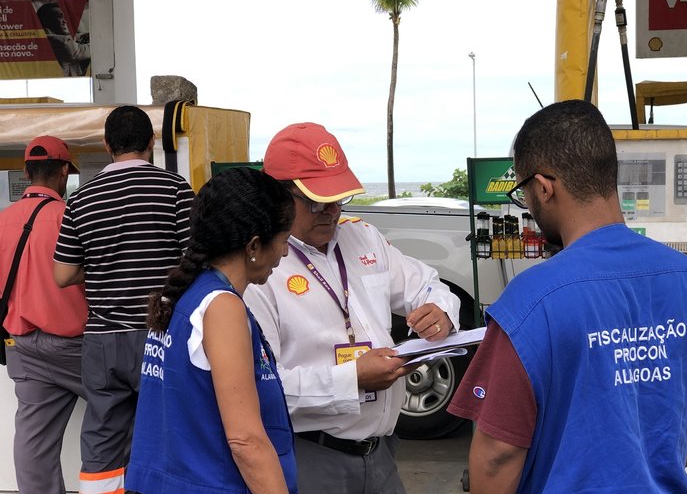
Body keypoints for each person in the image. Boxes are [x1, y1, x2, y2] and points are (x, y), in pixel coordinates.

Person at [447, 100, 687, 493]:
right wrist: (647, 469)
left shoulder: (530, 301)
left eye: (524, 192)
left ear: (543, 187)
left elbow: (497, 453)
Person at [243, 122, 461, 493]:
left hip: (382, 454)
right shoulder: (260, 268)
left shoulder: (362, 235)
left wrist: (439, 310)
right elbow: (263, 387)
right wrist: (351, 378)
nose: (330, 212)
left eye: (338, 198)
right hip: (311, 455)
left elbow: (426, 283)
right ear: (276, 197)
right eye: (315, 201)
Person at [126, 167, 298, 493]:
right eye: (283, 241)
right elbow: (245, 440)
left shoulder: (184, 294)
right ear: (254, 246)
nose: (285, 253)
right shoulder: (222, 307)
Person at [53, 106, 194, 493]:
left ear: (106, 145)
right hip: (161, 332)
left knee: (103, 438)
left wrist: (100, 266)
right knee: (168, 429)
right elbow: (196, 261)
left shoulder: (81, 199)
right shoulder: (176, 189)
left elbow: (63, 274)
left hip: (103, 339)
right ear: (151, 142)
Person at [0, 136, 88, 493]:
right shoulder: (70, 218)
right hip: (75, 348)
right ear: (65, 172)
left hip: (21, 346)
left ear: (25, 171)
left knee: (34, 445)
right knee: (125, 413)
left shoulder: (3, 220)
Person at [36, 2, 90, 77]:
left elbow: (73, 37)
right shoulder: (61, 42)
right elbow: (92, 51)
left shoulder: (48, 36)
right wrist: (92, 39)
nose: (65, 21)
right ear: (47, 20)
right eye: (60, 16)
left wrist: (85, 35)